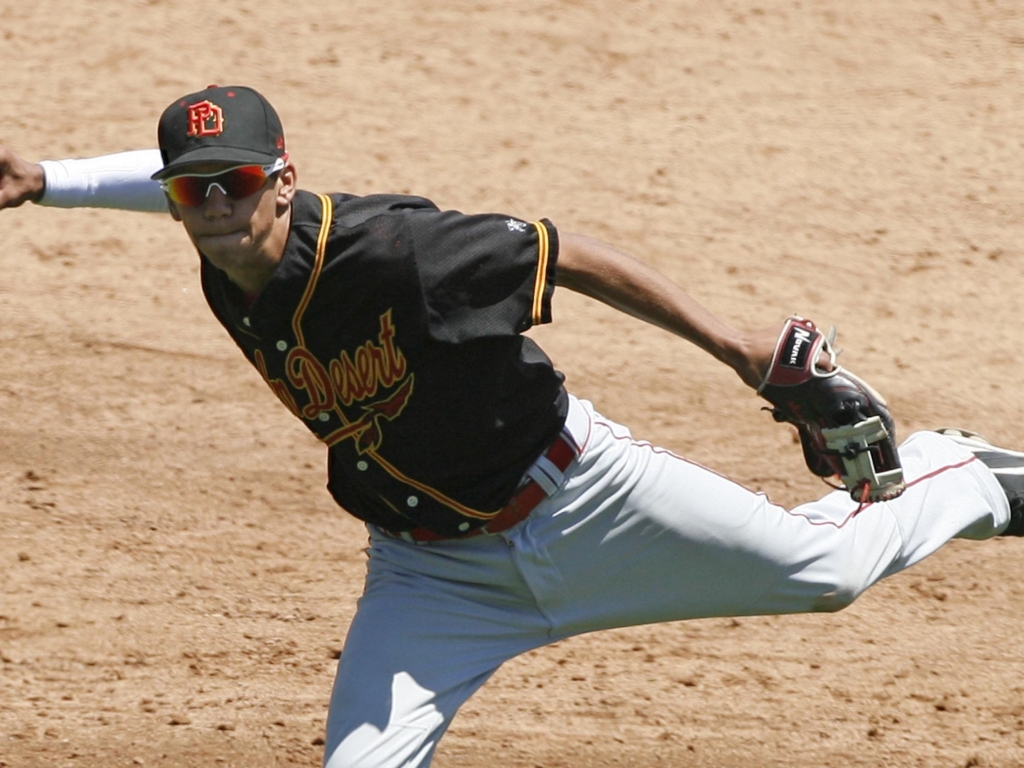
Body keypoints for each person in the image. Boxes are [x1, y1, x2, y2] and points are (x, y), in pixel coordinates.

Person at [1, 84, 1021, 768]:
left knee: (828, 574)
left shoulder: (398, 252)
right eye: (194, 190)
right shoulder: (213, 229)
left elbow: (564, 252)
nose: (215, 207)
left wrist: (739, 350)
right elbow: (170, 172)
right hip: (431, 577)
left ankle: (958, 473)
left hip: (588, 500)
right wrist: (52, 180)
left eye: (237, 185)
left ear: (284, 179)